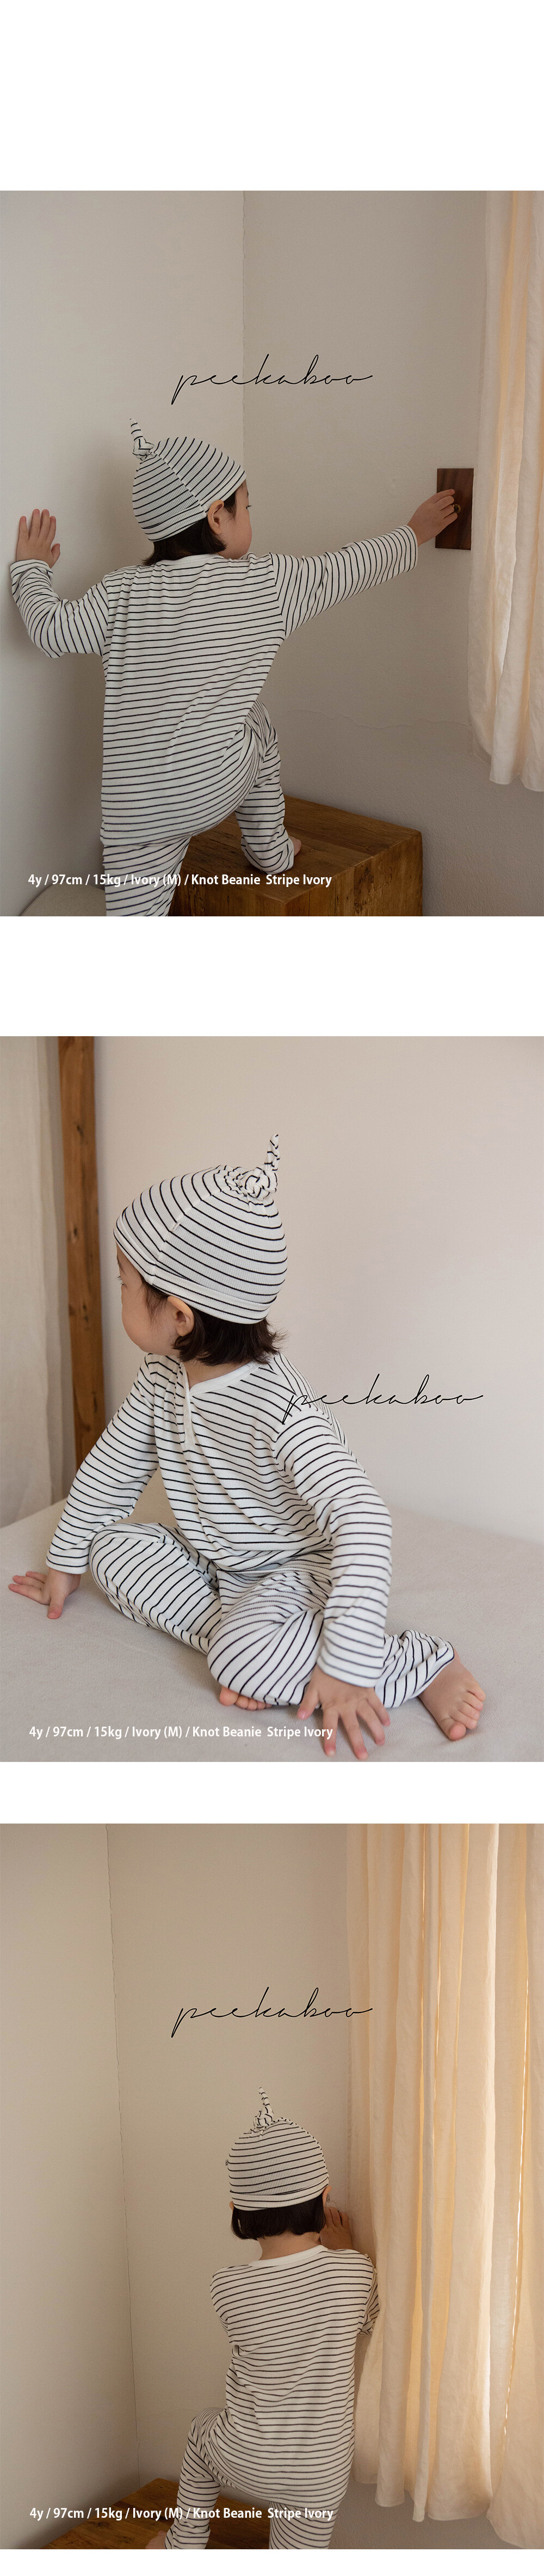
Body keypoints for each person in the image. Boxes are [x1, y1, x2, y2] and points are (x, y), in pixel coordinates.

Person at [9, 1136, 485, 1756]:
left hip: (295, 1572)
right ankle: (255, 1648)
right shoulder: (162, 1375)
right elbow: (114, 1466)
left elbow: (364, 1519)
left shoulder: (281, 1411)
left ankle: (417, 1662)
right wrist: (66, 1561)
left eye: (124, 1283)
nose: (117, 1292)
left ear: (180, 1316)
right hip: (221, 1564)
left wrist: (343, 1668)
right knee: (111, 1551)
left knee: (238, 1659)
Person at [11, 424, 457, 917]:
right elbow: (347, 568)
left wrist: (30, 568)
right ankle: (271, 850)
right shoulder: (267, 583)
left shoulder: (119, 592)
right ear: (217, 517)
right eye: (246, 505)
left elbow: (50, 630)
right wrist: (414, 533)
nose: (250, 515)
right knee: (257, 723)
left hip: (136, 811)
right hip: (212, 785)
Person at [146, 2088, 379, 2551]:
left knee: (201, 2428)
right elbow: (373, 2322)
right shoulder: (355, 2271)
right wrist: (346, 2251)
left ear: (238, 2214)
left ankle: (183, 2544)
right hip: (320, 2471)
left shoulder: (226, 2286)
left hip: (247, 2455)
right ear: (325, 2199)